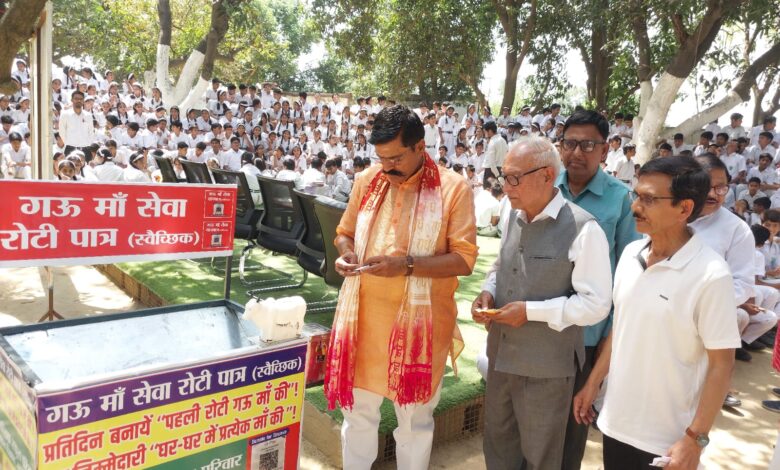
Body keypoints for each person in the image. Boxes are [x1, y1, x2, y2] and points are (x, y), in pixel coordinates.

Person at [326, 105, 477, 470]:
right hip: (362, 322)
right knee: (358, 416)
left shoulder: (453, 189)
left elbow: (463, 259)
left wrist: (406, 266)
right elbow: (344, 233)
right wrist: (346, 255)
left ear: (420, 147)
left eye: (395, 158)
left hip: (420, 330)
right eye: (381, 158)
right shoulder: (368, 180)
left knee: (414, 423)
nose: (387, 167)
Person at [573, 156, 739, 469]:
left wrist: (695, 438)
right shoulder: (630, 254)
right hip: (615, 423)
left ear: (684, 208)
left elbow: (722, 364)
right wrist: (593, 383)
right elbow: (622, 326)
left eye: (649, 199)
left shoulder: (711, 275)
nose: (635, 206)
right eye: (637, 195)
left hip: (667, 441)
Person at [472, 135, 612, 470]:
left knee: (541, 456)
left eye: (514, 178)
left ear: (547, 175)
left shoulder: (583, 228)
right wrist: (488, 290)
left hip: (546, 369)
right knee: (499, 447)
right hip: (502, 357)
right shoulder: (512, 214)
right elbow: (502, 265)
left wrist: (531, 312)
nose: (505, 187)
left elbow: (596, 304)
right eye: (503, 177)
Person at [550, 110, 641, 470]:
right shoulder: (544, 187)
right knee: (535, 419)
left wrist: (611, 334)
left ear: (605, 150)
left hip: (588, 334)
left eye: (588, 145)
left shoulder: (621, 200)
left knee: (573, 422)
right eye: (570, 143)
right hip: (540, 324)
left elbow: (630, 273)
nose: (577, 152)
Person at [59, 90, 96, 161]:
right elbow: (62, 131)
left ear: (83, 101)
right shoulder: (65, 114)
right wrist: (69, 143)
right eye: (76, 98)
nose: (78, 100)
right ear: (71, 100)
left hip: (85, 149)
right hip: (70, 149)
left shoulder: (88, 115)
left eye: (81, 99)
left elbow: (91, 132)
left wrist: (88, 143)